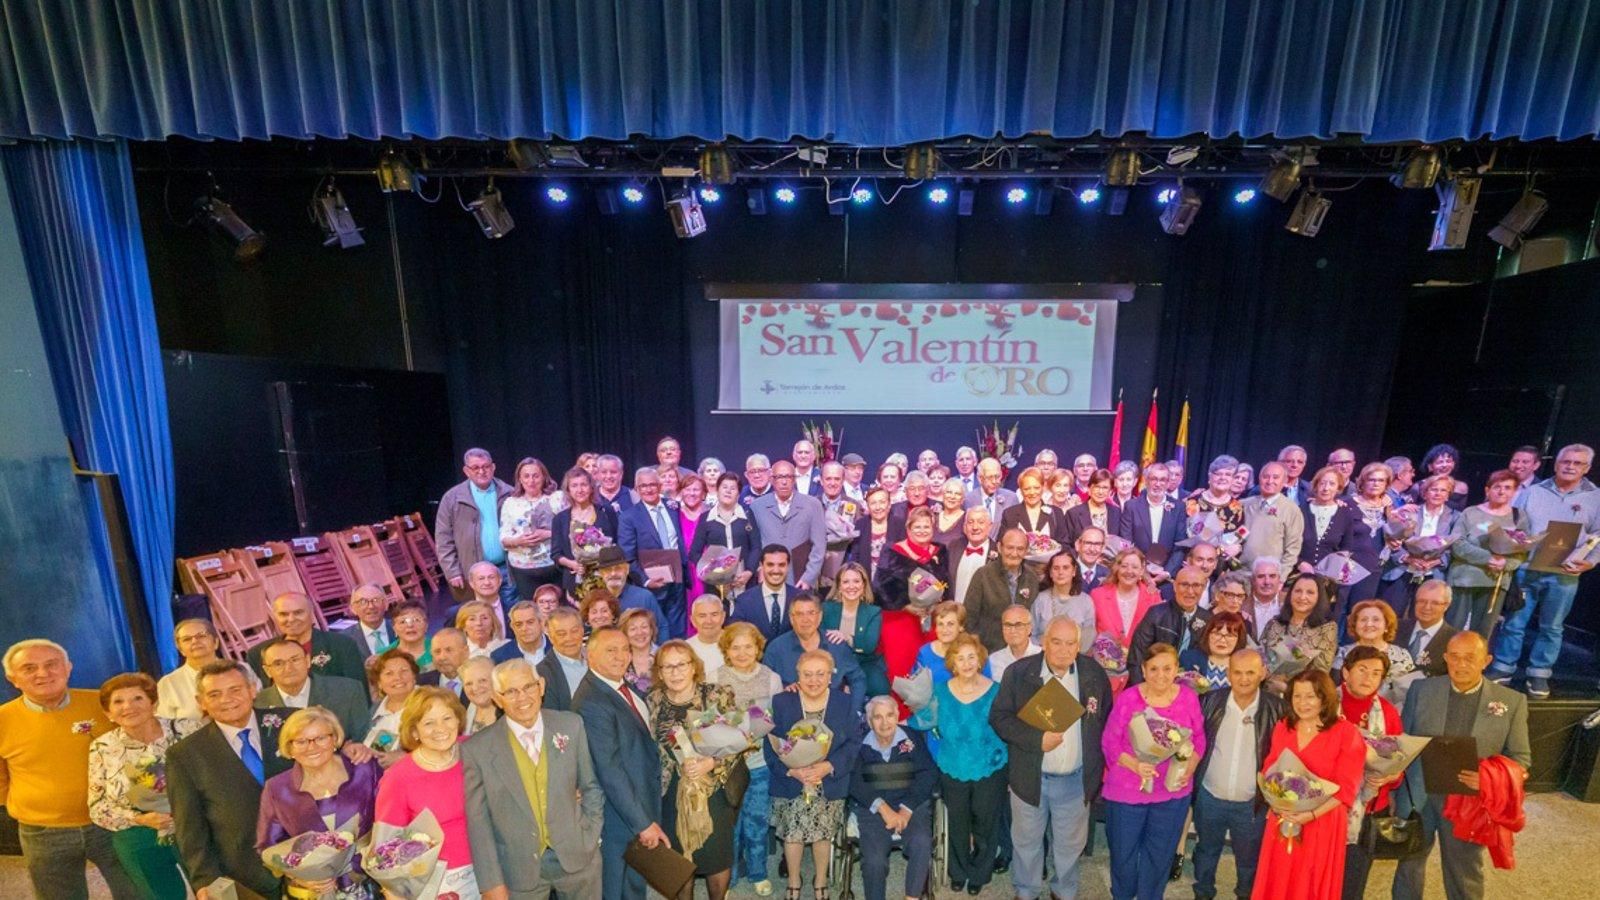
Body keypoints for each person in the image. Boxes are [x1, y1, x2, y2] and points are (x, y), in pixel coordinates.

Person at [1392, 632, 1532, 900]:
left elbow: (1521, 758)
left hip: (1468, 803)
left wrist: (1489, 779)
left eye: (1470, 658)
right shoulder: (1422, 691)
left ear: (1486, 660)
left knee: (1464, 872)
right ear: (1445, 658)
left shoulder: (1511, 702)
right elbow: (1403, 743)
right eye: (1454, 657)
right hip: (1420, 795)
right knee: (1408, 865)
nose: (1461, 664)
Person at [1, 641, 137, 900]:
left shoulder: (104, 704)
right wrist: (29, 803)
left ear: (68, 668)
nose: (43, 673)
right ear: (12, 679)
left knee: (138, 891)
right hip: (42, 832)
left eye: (51, 664)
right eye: (29, 668)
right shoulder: (2, 719)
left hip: (113, 822)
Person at [989, 617, 1111, 900]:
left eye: (1071, 644)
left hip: (1075, 780)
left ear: (1079, 646)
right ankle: (1027, 891)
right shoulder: (1019, 673)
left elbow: (1104, 719)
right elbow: (999, 718)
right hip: (1030, 778)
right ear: (1044, 642)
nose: (1063, 650)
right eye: (1056, 642)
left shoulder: (1093, 674)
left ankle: (1063, 891)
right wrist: (1036, 740)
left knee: (1070, 845)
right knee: (1026, 843)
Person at [462, 659, 605, 900]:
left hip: (578, 859)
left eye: (528, 687)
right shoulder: (477, 749)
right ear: (497, 698)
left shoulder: (570, 725)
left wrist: (589, 836)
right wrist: (491, 882)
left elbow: (590, 786)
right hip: (517, 870)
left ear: (541, 686)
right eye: (511, 691)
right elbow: (478, 823)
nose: (522, 697)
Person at [168, 660, 294, 899]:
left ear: (252, 689)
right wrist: (205, 879)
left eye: (235, 689)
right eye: (214, 694)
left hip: (310, 858)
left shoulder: (291, 723)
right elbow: (189, 825)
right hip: (244, 872)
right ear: (201, 702)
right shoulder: (185, 754)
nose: (227, 699)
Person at [1490, 444, 1600, 697]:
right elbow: (1514, 523)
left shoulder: (1596, 497)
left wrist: (1591, 561)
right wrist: (1517, 541)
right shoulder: (1534, 491)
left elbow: (1598, 535)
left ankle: (1539, 674)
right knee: (1514, 623)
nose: (1570, 466)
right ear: (1557, 463)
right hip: (1527, 569)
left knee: (1552, 627)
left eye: (1577, 463)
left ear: (1587, 468)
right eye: (1566, 462)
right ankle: (1503, 666)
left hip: (1565, 574)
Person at [1100, 643, 1206, 900]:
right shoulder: (1128, 699)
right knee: (1123, 854)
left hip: (1172, 792)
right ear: (1144, 671)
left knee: (1159, 854)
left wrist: (1190, 766)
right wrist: (1135, 765)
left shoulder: (1188, 698)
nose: (1161, 675)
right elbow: (1109, 742)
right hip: (1127, 790)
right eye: (1154, 669)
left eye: (1167, 668)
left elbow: (1199, 738)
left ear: (1176, 670)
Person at [1250, 669, 1366, 900]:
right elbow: (1269, 769)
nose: (1303, 703)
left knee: (1310, 881)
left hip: (1322, 821)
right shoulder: (1284, 726)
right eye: (1297, 696)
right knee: (1279, 876)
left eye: (1310, 696)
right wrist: (1276, 802)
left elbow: (1346, 788)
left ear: (1324, 698)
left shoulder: (1346, 732)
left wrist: (1311, 815)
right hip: (1284, 816)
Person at [575, 626, 669, 900]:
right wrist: (642, 823)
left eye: (625, 649)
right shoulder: (591, 701)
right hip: (619, 817)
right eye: (611, 650)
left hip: (636, 804)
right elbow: (609, 770)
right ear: (589, 656)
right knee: (615, 887)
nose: (621, 656)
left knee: (633, 884)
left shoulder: (618, 686)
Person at [908, 634, 1007, 895]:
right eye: (960, 658)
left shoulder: (996, 690)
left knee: (985, 823)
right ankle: (958, 871)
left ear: (980, 660)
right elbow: (921, 721)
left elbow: (1007, 728)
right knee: (957, 823)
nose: (966, 663)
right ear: (952, 662)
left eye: (971, 657)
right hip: (952, 765)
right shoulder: (940, 691)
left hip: (990, 766)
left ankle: (979, 872)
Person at [87, 673, 200, 900]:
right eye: (118, 702)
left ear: (154, 703)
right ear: (108, 713)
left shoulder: (187, 730)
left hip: (195, 826)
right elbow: (97, 807)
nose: (128, 707)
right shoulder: (102, 747)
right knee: (159, 896)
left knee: (218, 890)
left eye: (137, 698)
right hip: (138, 834)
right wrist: (138, 818)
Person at [648, 641, 746, 900]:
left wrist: (711, 763)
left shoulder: (716, 695)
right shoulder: (652, 700)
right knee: (678, 862)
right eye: (667, 666)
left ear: (694, 667)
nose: (675, 672)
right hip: (670, 792)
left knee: (715, 857)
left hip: (712, 789)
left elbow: (742, 738)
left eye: (681, 664)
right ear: (659, 672)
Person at [256, 707, 382, 899]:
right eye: (301, 741)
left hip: (369, 884)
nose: (312, 747)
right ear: (289, 748)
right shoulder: (276, 789)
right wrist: (303, 876)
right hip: (313, 892)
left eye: (321, 738)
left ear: (335, 739)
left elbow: (391, 821)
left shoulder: (365, 770)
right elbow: (267, 847)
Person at [765, 650, 858, 900]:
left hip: (828, 781)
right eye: (807, 674)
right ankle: (794, 881)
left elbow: (854, 743)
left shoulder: (844, 702)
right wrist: (792, 770)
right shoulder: (781, 702)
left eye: (820, 674)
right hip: (792, 780)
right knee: (792, 835)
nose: (814, 680)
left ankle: (820, 881)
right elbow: (770, 744)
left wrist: (828, 766)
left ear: (831, 676)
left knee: (822, 835)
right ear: (798, 676)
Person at [1191, 649, 1283, 900]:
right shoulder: (1209, 701)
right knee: (1206, 852)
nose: (1244, 679)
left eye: (1251, 673)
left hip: (1251, 802)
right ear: (1228, 674)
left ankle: (1246, 894)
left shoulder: (1277, 709)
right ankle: (1203, 892)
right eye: (1238, 672)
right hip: (1211, 795)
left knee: (1249, 859)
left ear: (1262, 673)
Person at [374, 686, 480, 898]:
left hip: (491, 873)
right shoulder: (399, 777)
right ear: (415, 731)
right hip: (440, 883)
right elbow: (386, 846)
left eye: (447, 718)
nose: (440, 728)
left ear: (459, 720)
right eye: (429, 723)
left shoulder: (476, 751)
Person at [716, 622, 783, 896]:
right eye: (735, 647)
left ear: (758, 649)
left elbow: (778, 719)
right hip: (726, 765)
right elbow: (710, 721)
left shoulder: (772, 678)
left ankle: (757, 873)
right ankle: (728, 879)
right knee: (729, 825)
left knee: (756, 821)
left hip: (759, 763)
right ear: (726, 651)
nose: (742, 653)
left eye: (748, 646)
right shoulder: (715, 677)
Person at [851, 695, 937, 900]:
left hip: (909, 803)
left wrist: (906, 809)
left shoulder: (911, 737)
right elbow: (853, 781)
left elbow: (928, 773)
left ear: (897, 715)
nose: (885, 722)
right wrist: (883, 809)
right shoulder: (859, 743)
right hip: (872, 808)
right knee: (874, 861)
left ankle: (912, 897)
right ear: (869, 721)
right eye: (877, 717)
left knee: (921, 842)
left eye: (890, 715)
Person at [1337, 647, 1405, 900]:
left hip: (1369, 808)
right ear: (1346, 671)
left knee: (1352, 882)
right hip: (1327, 806)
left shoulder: (1387, 712)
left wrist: (1389, 776)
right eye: (1362, 670)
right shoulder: (1325, 702)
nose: (1368, 678)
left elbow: (1398, 763)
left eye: (1376, 673)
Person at [1445, 469, 1527, 640]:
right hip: (1464, 579)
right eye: (1497, 486)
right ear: (1487, 490)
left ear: (1515, 491)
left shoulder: (1519, 517)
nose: (1502, 491)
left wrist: (1506, 564)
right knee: (1452, 630)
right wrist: (1488, 558)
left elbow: (1522, 551)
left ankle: (1475, 666)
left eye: (1508, 487)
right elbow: (1457, 544)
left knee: (1482, 634)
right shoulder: (1470, 512)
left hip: (1495, 583)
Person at [255, 637, 373, 756]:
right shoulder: (258, 704)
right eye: (278, 663)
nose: (288, 668)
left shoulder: (347, 690)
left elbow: (364, 736)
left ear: (307, 660)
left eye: (295, 660)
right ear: (267, 671)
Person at [437, 447, 517, 605]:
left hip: (506, 569)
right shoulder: (452, 498)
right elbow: (443, 538)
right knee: (479, 619)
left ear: (493, 467)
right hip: (472, 572)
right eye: (475, 468)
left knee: (511, 617)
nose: (482, 471)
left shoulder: (510, 493)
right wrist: (452, 572)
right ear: (466, 471)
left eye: (486, 466)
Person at [618, 465, 690, 639]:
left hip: (678, 578)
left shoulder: (674, 507)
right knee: (655, 629)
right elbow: (627, 556)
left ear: (659, 486)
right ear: (637, 489)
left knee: (678, 626)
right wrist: (646, 580)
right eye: (643, 486)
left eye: (652, 484)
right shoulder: (629, 517)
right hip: (652, 585)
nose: (649, 489)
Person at [763, 594, 868, 706]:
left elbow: (858, 679)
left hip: (834, 712)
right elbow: (764, 685)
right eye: (799, 614)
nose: (805, 619)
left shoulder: (836, 645)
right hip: (792, 712)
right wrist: (782, 691)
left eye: (811, 613)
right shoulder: (776, 648)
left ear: (820, 616)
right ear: (791, 618)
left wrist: (854, 710)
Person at [247, 592, 367, 685]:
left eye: (298, 613)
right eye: (283, 614)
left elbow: (359, 694)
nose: (291, 619)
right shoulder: (258, 654)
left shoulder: (342, 645)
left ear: (311, 613)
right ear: (274, 617)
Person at [1381, 474, 1461, 612]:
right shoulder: (1410, 512)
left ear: (1448, 495)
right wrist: (1407, 558)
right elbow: (1394, 540)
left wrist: (1436, 562)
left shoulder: (1455, 517)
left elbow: (1454, 547)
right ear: (1425, 493)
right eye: (1434, 489)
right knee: (1391, 615)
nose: (1438, 494)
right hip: (1402, 570)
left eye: (1443, 490)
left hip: (1432, 574)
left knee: (1420, 618)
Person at [156, 618, 260, 722]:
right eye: (187, 639)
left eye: (201, 636)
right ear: (180, 649)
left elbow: (260, 703)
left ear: (216, 642)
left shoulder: (241, 669)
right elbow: (166, 726)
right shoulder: (168, 683)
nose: (195, 641)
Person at [750, 460, 828, 589]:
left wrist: (808, 578)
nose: (784, 481)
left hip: (800, 580)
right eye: (779, 477)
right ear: (771, 480)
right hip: (768, 578)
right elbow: (754, 545)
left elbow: (819, 546)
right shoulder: (757, 506)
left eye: (788, 477)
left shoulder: (812, 505)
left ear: (795, 479)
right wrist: (759, 569)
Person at [1130, 565, 1215, 678]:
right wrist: (1143, 691)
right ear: (1174, 586)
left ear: (1203, 588)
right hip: (1154, 682)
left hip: (1190, 689)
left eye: (1196, 585)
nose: (1190, 591)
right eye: (1184, 585)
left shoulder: (1208, 619)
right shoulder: (1156, 614)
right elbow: (1136, 657)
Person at [1261, 574, 1340, 695]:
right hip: (1266, 691)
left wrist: (1287, 688)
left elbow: (1320, 672)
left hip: (1301, 695)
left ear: (1319, 597)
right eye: (1298, 591)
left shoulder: (1327, 628)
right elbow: (1260, 655)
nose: (1302, 597)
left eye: (1310, 592)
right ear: (1290, 594)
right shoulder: (1275, 623)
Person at [964, 528, 1040, 651]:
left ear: (1026, 551)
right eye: (1010, 548)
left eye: (1020, 549)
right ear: (999, 547)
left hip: (1022, 653)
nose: (1014, 553)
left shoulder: (1031, 577)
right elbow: (969, 619)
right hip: (989, 651)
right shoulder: (983, 575)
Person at [1332, 600, 1418, 708]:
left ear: (1386, 626)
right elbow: (1333, 691)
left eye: (1376, 620)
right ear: (1355, 625)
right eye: (1363, 620)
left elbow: (1408, 695)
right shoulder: (1341, 654)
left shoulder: (1401, 655)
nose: (1369, 624)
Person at [550, 466, 621, 596]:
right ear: (568, 490)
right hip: (575, 581)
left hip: (606, 578)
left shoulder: (606, 511)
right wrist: (572, 564)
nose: (580, 490)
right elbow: (555, 553)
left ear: (591, 487)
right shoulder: (560, 519)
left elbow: (617, 542)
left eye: (584, 485)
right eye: (574, 486)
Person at [501, 456, 560, 601]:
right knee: (531, 611)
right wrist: (518, 541)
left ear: (544, 477)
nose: (531, 481)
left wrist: (548, 533)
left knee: (556, 612)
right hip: (522, 569)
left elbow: (570, 529)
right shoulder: (510, 503)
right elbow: (503, 538)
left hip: (553, 565)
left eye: (535, 476)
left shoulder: (557, 498)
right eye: (526, 476)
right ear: (519, 479)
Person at [823, 562, 886, 694]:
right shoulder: (826, 609)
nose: (851, 586)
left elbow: (869, 646)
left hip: (865, 664)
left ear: (863, 585)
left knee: (881, 689)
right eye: (846, 582)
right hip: (833, 664)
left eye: (856, 581)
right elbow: (822, 640)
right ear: (839, 586)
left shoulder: (873, 612)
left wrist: (845, 637)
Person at [1089, 546, 1162, 654]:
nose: (1129, 571)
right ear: (1117, 568)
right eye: (1124, 566)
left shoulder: (1153, 597)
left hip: (1140, 664)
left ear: (1141, 571)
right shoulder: (1097, 595)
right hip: (1104, 665)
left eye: (1134, 567)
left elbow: (1158, 638)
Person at [1241, 461, 1305, 575]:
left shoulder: (1291, 510)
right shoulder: (1243, 505)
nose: (1270, 481)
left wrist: (1281, 577)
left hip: (1268, 577)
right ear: (1259, 479)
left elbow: (1293, 549)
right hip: (1239, 572)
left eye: (1275, 477)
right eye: (1266, 476)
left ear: (1285, 481)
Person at [1297, 467, 1361, 581]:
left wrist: (1333, 568)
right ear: (1315, 486)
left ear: (1338, 488)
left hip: (1329, 578)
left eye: (1332, 484)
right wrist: (1300, 563)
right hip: (1298, 574)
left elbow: (1346, 546)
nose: (1326, 488)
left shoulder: (1345, 513)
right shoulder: (1300, 510)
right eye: (1322, 483)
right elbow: (1288, 543)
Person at [592, 545, 670, 636]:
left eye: (618, 568)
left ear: (627, 569)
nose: (613, 574)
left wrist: (658, 650)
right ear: (601, 573)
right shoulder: (595, 600)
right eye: (608, 570)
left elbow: (661, 627)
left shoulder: (644, 597)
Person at [1119, 461, 1182, 574]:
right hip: (1136, 571)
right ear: (1146, 481)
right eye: (1154, 479)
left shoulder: (1178, 508)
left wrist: (1167, 572)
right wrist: (1140, 569)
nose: (1158, 484)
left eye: (1162, 480)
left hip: (1166, 574)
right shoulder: (1132, 506)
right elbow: (1126, 542)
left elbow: (1180, 545)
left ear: (1168, 483)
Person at [731, 544, 802, 640]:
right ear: (761, 565)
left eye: (781, 565)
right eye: (770, 564)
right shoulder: (744, 601)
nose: (776, 570)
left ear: (788, 566)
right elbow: (734, 635)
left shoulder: (801, 598)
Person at [364, 649, 420, 765]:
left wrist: (407, 758)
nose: (398, 678)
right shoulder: (373, 711)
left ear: (414, 676)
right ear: (379, 683)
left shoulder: (430, 704)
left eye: (404, 671)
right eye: (389, 673)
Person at [1030, 548, 1096, 643]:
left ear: (1074, 571)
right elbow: (1032, 635)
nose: (1060, 572)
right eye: (1056, 568)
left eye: (1066, 568)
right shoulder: (1040, 599)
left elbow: (1088, 639)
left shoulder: (1086, 601)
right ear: (1050, 573)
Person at [1397, 581, 1459, 677]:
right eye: (1422, 601)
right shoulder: (1396, 627)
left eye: (1435, 603)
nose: (1427, 607)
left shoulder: (1455, 640)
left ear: (1446, 605)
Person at [1180, 612, 1247, 692]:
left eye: (1229, 635)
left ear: (1239, 639)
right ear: (1207, 634)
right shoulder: (1189, 658)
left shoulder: (1245, 665)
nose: (1222, 640)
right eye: (1217, 634)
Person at [540, 607, 589, 711]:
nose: (569, 638)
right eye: (561, 634)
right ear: (551, 637)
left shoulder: (598, 657)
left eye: (574, 631)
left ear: (582, 631)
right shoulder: (543, 673)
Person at [943, 506, 994, 605]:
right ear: (964, 527)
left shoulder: (998, 552)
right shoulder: (953, 546)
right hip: (954, 614)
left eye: (981, 522)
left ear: (990, 526)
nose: (975, 527)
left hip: (983, 617)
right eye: (970, 522)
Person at [1000, 466, 1067, 541]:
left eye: (1036, 488)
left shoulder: (1056, 513)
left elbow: (1064, 544)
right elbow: (1002, 544)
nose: (1032, 492)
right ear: (1021, 490)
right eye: (1027, 489)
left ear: (1042, 487)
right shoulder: (1009, 514)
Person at [847, 486, 897, 577]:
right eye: (873, 503)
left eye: (882, 502)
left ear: (889, 504)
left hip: (892, 581)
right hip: (865, 580)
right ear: (868, 506)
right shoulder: (860, 524)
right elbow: (855, 555)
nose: (878, 507)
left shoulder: (900, 524)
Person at [1064, 468, 1122, 544]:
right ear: (1089, 489)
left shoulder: (1116, 512)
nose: (1100, 492)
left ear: (1110, 491)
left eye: (1105, 488)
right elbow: (1066, 544)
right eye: (1097, 487)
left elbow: (1121, 542)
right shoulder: (1073, 513)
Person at [964, 457, 1020, 535]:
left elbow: (1015, 531)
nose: (994, 481)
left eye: (997, 477)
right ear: (980, 478)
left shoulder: (1011, 498)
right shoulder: (968, 499)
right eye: (989, 477)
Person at [677, 473, 711, 599]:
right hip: (683, 574)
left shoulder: (712, 515)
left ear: (703, 494)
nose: (691, 493)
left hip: (707, 573)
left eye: (696, 489)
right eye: (687, 489)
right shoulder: (674, 516)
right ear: (681, 492)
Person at [340, 583, 395, 659]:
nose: (371, 606)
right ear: (353, 608)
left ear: (386, 604)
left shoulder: (400, 628)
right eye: (363, 602)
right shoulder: (343, 639)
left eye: (376, 600)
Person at [491, 600, 553, 669]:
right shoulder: (500, 657)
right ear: (512, 627)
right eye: (519, 624)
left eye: (530, 622)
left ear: (541, 623)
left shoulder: (558, 647)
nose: (524, 628)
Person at [989, 605, 1042, 681]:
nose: (1012, 630)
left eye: (1018, 625)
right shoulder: (993, 661)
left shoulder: (1043, 657)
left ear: (1029, 628)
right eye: (1008, 625)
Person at [619, 607, 660, 694]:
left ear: (651, 630)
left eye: (644, 627)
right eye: (633, 629)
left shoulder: (664, 656)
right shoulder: (619, 660)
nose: (639, 633)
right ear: (625, 634)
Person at [687, 593, 728, 677]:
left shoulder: (737, 644)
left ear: (723, 616)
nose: (709, 621)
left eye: (714, 614)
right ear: (692, 620)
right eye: (702, 616)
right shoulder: (685, 649)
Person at [458, 656, 502, 734]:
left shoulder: (510, 712)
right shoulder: (461, 714)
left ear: (496, 680)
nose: (475, 688)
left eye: (482, 680)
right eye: (469, 684)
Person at [1420, 443, 1471, 510]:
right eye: (1440, 462)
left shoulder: (1462, 487)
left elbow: (1461, 512)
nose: (1444, 465)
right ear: (1430, 466)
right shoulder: (1419, 486)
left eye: (1448, 461)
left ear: (1453, 464)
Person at [1246, 558, 1285, 638]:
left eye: (1272, 576)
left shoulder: (1290, 602)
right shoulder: (1241, 603)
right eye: (1261, 576)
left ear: (1279, 579)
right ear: (1252, 580)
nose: (1267, 582)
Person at [933, 479, 969, 546]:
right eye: (949, 492)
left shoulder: (967, 519)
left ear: (963, 499)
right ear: (943, 495)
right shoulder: (932, 517)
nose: (952, 497)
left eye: (957, 494)